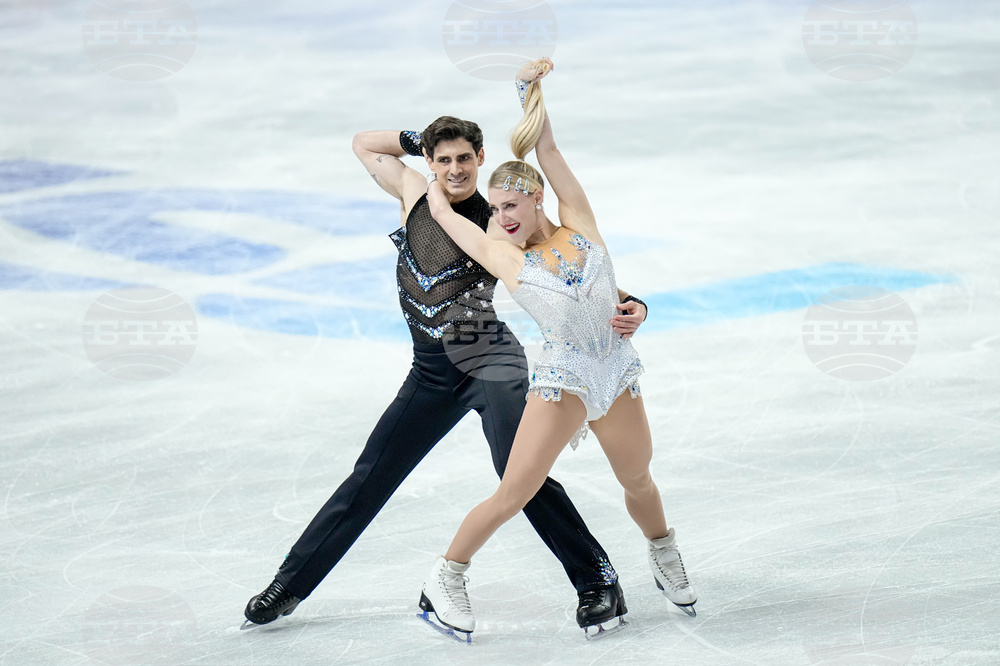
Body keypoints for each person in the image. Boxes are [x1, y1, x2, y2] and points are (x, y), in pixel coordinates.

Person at [243, 107, 653, 634]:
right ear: (430, 161)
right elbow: (363, 144)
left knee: (517, 471)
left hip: (487, 356)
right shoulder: (414, 191)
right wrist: (420, 142)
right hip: (431, 370)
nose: (456, 169)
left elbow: (571, 270)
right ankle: (290, 584)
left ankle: (596, 578)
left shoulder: (498, 221)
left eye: (465, 158)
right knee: (371, 476)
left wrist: (633, 301)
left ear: (481, 159)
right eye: (444, 159)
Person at [418, 59, 697, 640]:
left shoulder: (581, 224)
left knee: (639, 479)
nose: (500, 218)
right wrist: (428, 175)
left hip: (616, 372)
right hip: (564, 377)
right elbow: (444, 211)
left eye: (509, 206)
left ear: (535, 199)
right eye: (494, 210)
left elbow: (547, 149)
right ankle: (446, 577)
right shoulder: (507, 258)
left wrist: (530, 92)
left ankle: (662, 550)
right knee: (516, 489)